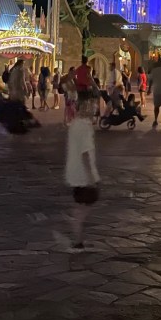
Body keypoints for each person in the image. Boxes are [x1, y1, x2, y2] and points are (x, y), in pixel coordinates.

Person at [65, 98, 100, 250]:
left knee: (82, 207)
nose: (95, 110)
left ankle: (79, 238)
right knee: (83, 209)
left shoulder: (74, 124)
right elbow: (85, 153)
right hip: (83, 175)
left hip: (75, 173)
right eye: (93, 108)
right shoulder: (85, 126)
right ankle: (77, 239)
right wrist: (91, 176)